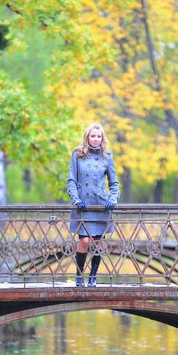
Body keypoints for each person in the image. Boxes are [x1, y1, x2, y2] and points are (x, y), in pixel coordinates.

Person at [67, 123, 120, 287]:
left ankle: (93, 276)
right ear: (87, 137)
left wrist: (113, 199)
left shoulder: (107, 156)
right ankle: (78, 276)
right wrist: (75, 199)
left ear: (102, 138)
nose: (96, 139)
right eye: (93, 136)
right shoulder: (77, 154)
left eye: (99, 136)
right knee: (83, 241)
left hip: (101, 206)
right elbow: (71, 180)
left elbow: (114, 183)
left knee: (97, 243)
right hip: (83, 205)